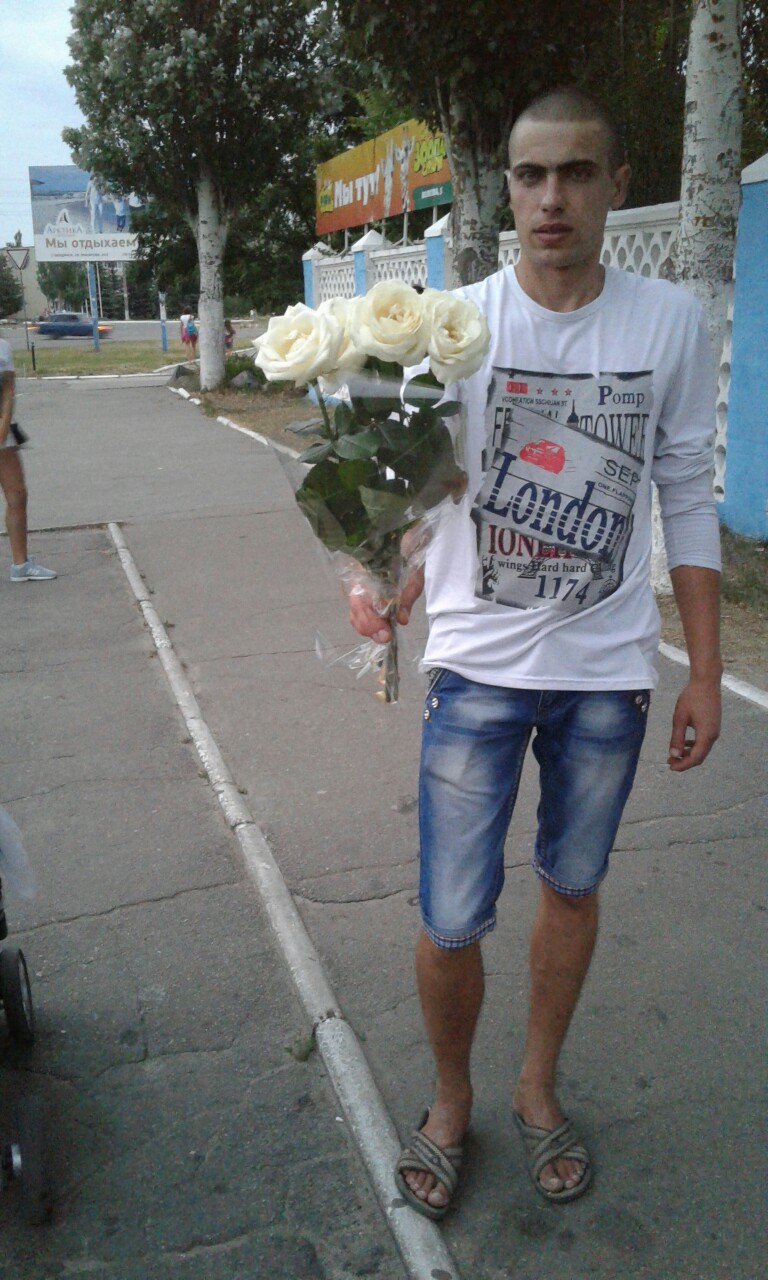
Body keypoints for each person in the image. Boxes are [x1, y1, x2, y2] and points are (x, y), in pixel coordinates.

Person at [348, 87, 722, 1218]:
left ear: (616, 184)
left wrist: (704, 670)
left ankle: (536, 1084)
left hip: (607, 676)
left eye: (576, 172)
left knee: (572, 887)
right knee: (450, 913)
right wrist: (382, 571)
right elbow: (413, 480)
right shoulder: (451, 323)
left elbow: (686, 492)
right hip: (476, 668)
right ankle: (451, 1097)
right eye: (530, 175)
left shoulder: (669, 322)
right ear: (509, 189)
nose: (551, 196)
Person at [0, 339, 57, 582]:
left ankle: (20, 564)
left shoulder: (2, 347)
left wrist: (2, 431)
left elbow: (7, 390)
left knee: (17, 495)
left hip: (2, 435)